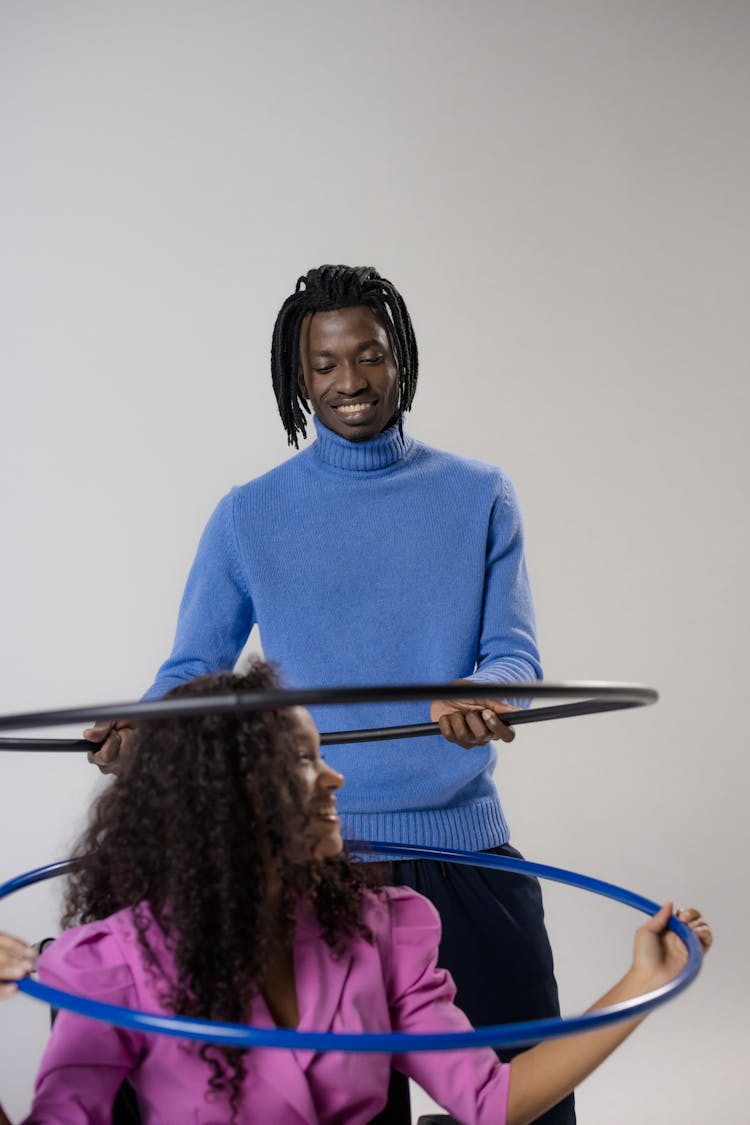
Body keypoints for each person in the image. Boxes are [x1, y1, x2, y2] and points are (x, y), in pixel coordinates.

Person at [82, 265, 557, 1122]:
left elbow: (513, 657)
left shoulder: (479, 493)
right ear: (298, 377)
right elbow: (194, 669)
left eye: (369, 356)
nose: (351, 382)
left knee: (525, 1104)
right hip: (320, 871)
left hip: (467, 858)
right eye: (326, 364)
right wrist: (145, 724)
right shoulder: (249, 514)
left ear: (400, 358)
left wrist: (483, 693)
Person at [1, 665, 712, 1124]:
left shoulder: (387, 926)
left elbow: (493, 1102)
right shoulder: (106, 964)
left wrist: (639, 982)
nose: (337, 780)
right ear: (226, 799)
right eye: (306, 760)